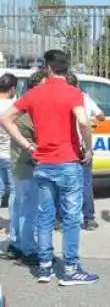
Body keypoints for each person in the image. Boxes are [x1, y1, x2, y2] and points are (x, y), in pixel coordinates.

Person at [0, 49, 99, 285]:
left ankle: (45, 267)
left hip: (43, 163)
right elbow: (84, 122)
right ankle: (71, 269)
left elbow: (6, 119)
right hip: (68, 162)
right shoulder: (73, 93)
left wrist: (28, 146)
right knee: (71, 217)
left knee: (44, 216)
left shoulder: (36, 94)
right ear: (68, 68)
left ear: (48, 68)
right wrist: (88, 147)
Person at [2, 70, 47, 265]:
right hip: (27, 162)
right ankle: (28, 249)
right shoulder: (30, 107)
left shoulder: (21, 104)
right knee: (29, 207)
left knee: (18, 202)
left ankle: (17, 243)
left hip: (17, 161)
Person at [66, 72, 105, 231]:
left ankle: (60, 219)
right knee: (85, 184)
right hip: (82, 148)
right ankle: (88, 219)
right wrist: (93, 121)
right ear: (77, 85)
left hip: (66, 148)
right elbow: (101, 116)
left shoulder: (60, 98)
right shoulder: (84, 98)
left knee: (64, 185)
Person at [0, 73, 18, 240]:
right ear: (12, 88)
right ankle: (13, 227)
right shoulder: (14, 106)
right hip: (9, 154)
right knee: (14, 192)